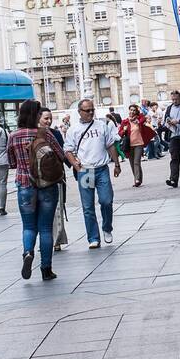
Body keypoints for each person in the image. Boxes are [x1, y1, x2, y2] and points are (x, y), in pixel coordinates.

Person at [7, 99, 60, 281]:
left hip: (25, 186)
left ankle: (28, 252)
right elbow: (60, 155)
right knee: (45, 228)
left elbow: (12, 163)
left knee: (29, 226)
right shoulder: (45, 133)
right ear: (36, 115)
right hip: (47, 185)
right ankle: (46, 269)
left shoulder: (14, 136)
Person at [63, 98, 121, 249]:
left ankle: (107, 228)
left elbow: (110, 145)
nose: (90, 113)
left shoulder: (102, 126)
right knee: (88, 206)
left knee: (106, 201)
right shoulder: (73, 130)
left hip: (102, 169)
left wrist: (116, 163)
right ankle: (93, 237)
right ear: (79, 112)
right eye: (87, 110)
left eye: (92, 110)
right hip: (86, 171)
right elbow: (67, 150)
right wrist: (76, 165)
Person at [38, 107, 69, 251]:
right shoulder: (34, 133)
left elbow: (62, 153)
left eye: (50, 118)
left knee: (57, 208)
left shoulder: (56, 133)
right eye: (46, 118)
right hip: (39, 178)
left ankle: (56, 240)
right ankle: (47, 240)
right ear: (38, 118)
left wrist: (75, 166)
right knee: (43, 210)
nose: (49, 121)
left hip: (56, 175)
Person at [118, 103, 154, 187]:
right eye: (131, 110)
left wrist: (137, 120)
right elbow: (120, 133)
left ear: (136, 111)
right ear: (129, 111)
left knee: (136, 162)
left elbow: (143, 118)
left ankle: (137, 180)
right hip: (129, 145)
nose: (132, 111)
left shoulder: (139, 119)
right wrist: (124, 130)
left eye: (134, 110)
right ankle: (138, 180)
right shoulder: (125, 121)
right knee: (132, 163)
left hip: (139, 144)